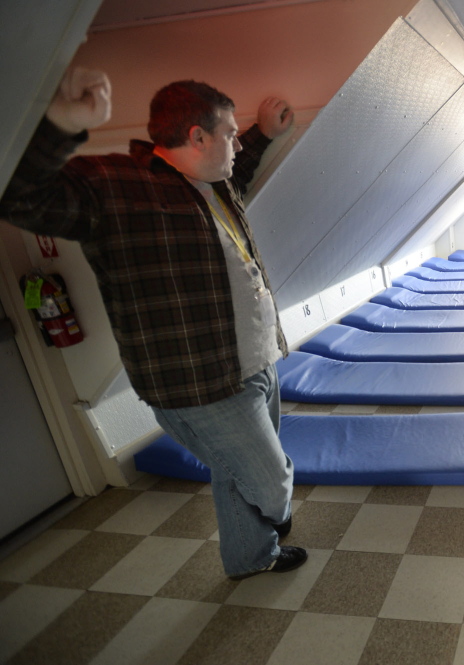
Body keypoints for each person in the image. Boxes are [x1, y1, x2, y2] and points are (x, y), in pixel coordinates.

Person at [0, 67, 306, 580]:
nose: (235, 143)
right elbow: (21, 199)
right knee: (269, 480)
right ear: (197, 136)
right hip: (200, 383)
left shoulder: (213, 180)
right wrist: (58, 123)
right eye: (230, 133)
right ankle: (274, 515)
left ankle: (253, 557)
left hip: (255, 360)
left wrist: (262, 133)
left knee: (240, 472)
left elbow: (238, 167)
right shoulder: (117, 187)